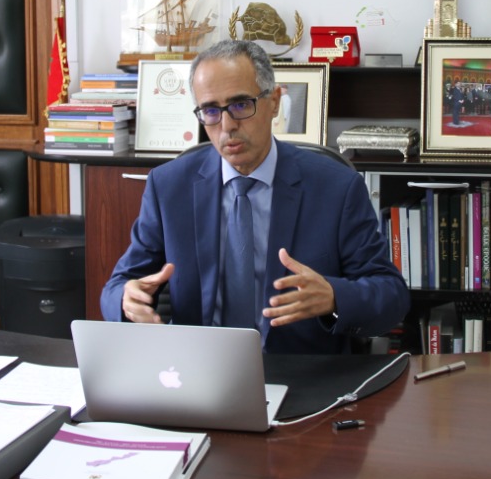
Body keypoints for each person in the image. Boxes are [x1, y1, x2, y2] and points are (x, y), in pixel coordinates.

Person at [101, 39, 409, 354]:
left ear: (274, 102)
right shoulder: (169, 186)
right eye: (211, 111)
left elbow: (391, 295)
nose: (227, 126)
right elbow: (117, 286)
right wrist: (127, 299)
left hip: (300, 372)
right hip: (199, 367)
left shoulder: (336, 187)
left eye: (240, 105)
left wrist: (333, 296)